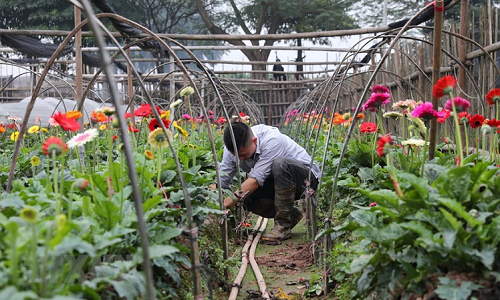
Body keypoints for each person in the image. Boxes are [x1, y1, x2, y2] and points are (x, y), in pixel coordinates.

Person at [218, 121, 320, 243]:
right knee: (246, 198)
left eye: (244, 155)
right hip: (275, 182)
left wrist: (225, 204)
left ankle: (282, 226)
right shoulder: (231, 150)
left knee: (280, 164)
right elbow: (221, 181)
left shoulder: (272, 140)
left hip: (305, 180)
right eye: (237, 156)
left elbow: (255, 181)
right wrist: (210, 200)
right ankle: (291, 215)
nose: (240, 159)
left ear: (255, 141)